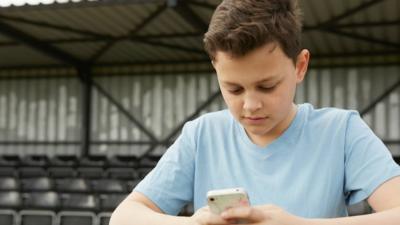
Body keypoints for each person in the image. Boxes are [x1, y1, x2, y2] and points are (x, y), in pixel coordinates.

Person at [109, 0, 400, 224]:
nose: (250, 105)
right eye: (234, 89)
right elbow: (124, 216)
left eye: (267, 86)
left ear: (300, 66)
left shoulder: (342, 131)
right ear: (216, 69)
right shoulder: (201, 136)